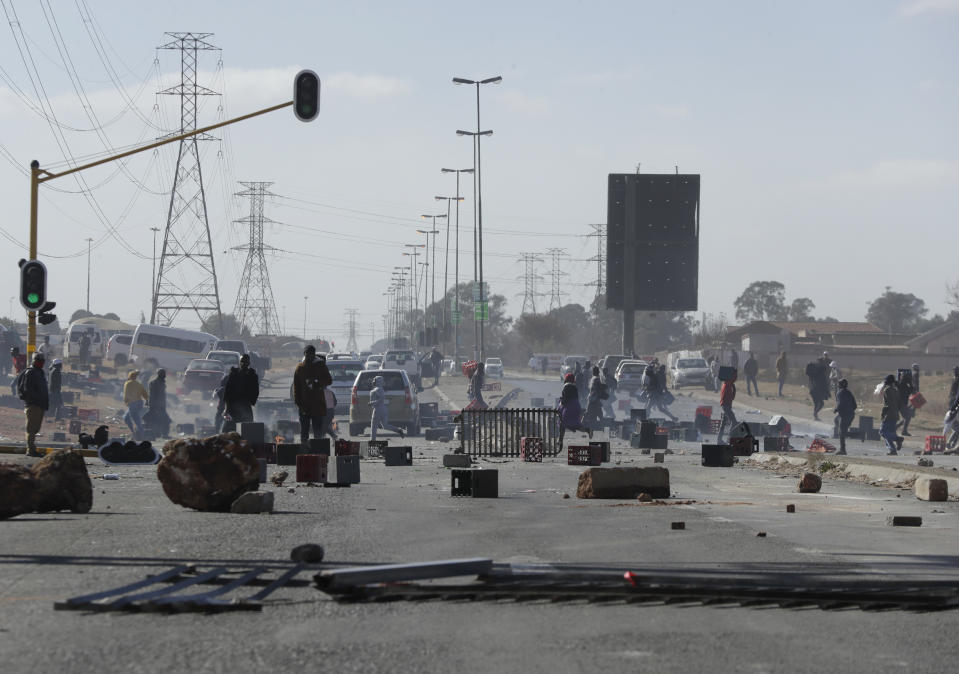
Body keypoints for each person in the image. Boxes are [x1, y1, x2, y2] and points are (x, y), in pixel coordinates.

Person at [293, 345, 333, 447]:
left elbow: (329, 380)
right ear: (304, 354)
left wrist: (318, 383)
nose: (309, 356)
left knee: (318, 432)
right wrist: (299, 404)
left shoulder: (320, 365)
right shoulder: (300, 368)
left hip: (317, 405)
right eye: (307, 354)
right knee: (304, 432)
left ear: (314, 354)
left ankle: (318, 453)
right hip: (304, 406)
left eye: (311, 354)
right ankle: (304, 452)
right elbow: (296, 388)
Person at [18, 352, 49, 457]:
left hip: (40, 404)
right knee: (31, 429)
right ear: (34, 361)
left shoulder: (39, 372)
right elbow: (28, 389)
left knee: (35, 429)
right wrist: (36, 399)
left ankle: (32, 448)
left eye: (42, 361)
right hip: (34, 405)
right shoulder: (30, 372)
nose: (41, 363)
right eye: (39, 360)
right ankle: (30, 450)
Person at [220, 354, 260, 431]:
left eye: (246, 362)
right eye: (242, 361)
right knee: (227, 430)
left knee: (248, 429)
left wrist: (251, 401)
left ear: (249, 363)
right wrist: (226, 408)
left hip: (245, 406)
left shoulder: (252, 375)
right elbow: (228, 391)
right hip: (232, 407)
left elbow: (255, 391)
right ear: (239, 362)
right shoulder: (234, 374)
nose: (243, 363)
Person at [369, 375, 404, 441]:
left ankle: (372, 440)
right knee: (385, 425)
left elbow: (374, 402)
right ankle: (398, 430)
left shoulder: (373, 391)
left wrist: (371, 403)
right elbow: (382, 399)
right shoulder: (382, 390)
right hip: (384, 409)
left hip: (377, 410)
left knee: (374, 427)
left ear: (375, 382)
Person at [558, 373, 590, 443]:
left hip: (569, 407)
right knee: (576, 424)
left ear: (566, 379)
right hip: (576, 406)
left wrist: (561, 402)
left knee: (562, 423)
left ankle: (560, 440)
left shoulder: (566, 386)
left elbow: (566, 399)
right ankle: (587, 430)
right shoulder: (575, 387)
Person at [879, 374, 904, 455]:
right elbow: (899, 403)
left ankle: (897, 439)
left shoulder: (887, 390)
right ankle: (892, 450)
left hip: (889, 414)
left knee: (883, 432)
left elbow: (887, 404)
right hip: (895, 414)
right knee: (889, 432)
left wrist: (883, 414)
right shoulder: (896, 390)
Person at [143, 369, 171, 438]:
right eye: (163, 374)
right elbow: (152, 395)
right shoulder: (155, 383)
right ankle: (162, 434)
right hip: (156, 405)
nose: (164, 375)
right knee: (165, 420)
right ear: (160, 374)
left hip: (160, 405)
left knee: (160, 419)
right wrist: (152, 404)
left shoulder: (160, 382)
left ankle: (159, 433)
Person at [123, 370, 148, 441]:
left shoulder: (128, 383)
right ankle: (134, 433)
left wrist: (126, 402)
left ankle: (142, 437)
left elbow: (126, 394)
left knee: (136, 421)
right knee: (126, 418)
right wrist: (147, 401)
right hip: (139, 403)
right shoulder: (139, 384)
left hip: (133, 403)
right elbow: (145, 394)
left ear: (130, 376)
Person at [833, 378, 856, 456]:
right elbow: (855, 405)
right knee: (836, 420)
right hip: (851, 414)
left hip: (845, 415)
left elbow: (840, 404)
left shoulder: (840, 393)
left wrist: (836, 409)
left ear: (840, 385)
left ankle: (843, 450)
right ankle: (858, 434)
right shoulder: (849, 392)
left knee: (842, 432)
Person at [716, 371, 737, 444]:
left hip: (725, 405)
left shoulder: (727, 383)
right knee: (734, 422)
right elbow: (731, 397)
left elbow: (732, 397)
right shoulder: (727, 384)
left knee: (723, 422)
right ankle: (729, 439)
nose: (735, 379)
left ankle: (719, 440)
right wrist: (733, 388)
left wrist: (733, 388)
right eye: (734, 377)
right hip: (726, 406)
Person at [896, 370, 916, 437]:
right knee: (907, 417)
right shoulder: (905, 386)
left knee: (907, 417)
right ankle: (903, 431)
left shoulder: (900, 384)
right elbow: (913, 390)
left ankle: (896, 428)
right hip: (901, 404)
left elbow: (912, 391)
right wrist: (910, 382)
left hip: (900, 404)